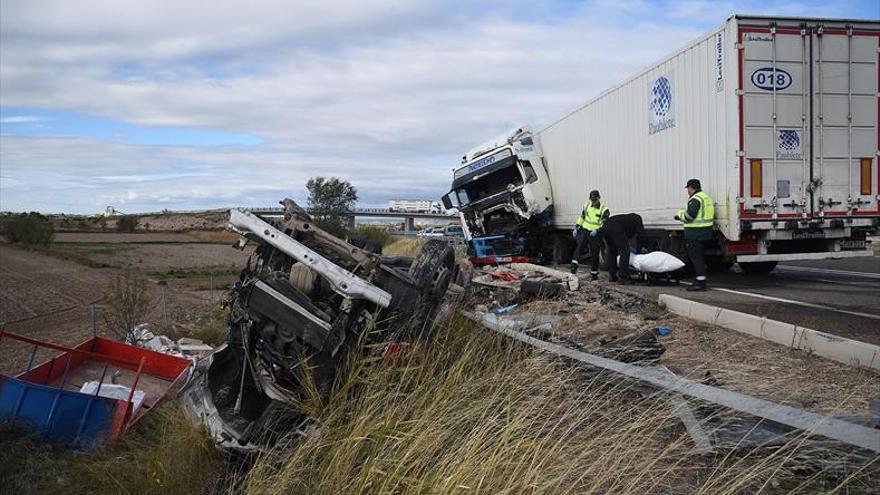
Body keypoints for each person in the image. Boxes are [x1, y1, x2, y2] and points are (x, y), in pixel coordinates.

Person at [675, 178, 715, 291]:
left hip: (695, 234)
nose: (687, 191)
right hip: (705, 232)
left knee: (696, 258)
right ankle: (698, 280)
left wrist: (680, 215)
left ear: (691, 188)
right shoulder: (705, 197)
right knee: (699, 258)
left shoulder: (695, 199)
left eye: (688, 188)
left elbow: (689, 216)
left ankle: (700, 283)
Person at [570, 189, 609, 280]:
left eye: (595, 200)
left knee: (595, 252)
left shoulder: (604, 209)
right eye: (592, 200)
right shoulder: (587, 205)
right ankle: (573, 266)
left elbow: (605, 223)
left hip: (595, 233)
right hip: (585, 230)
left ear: (599, 198)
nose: (593, 202)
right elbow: (582, 217)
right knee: (580, 247)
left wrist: (598, 230)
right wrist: (577, 227)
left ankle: (594, 273)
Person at [599, 213, 646, 285]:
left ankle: (612, 275)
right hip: (616, 228)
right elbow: (641, 233)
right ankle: (623, 277)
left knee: (612, 251)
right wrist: (644, 245)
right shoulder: (637, 219)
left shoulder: (628, 219)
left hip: (605, 227)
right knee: (625, 251)